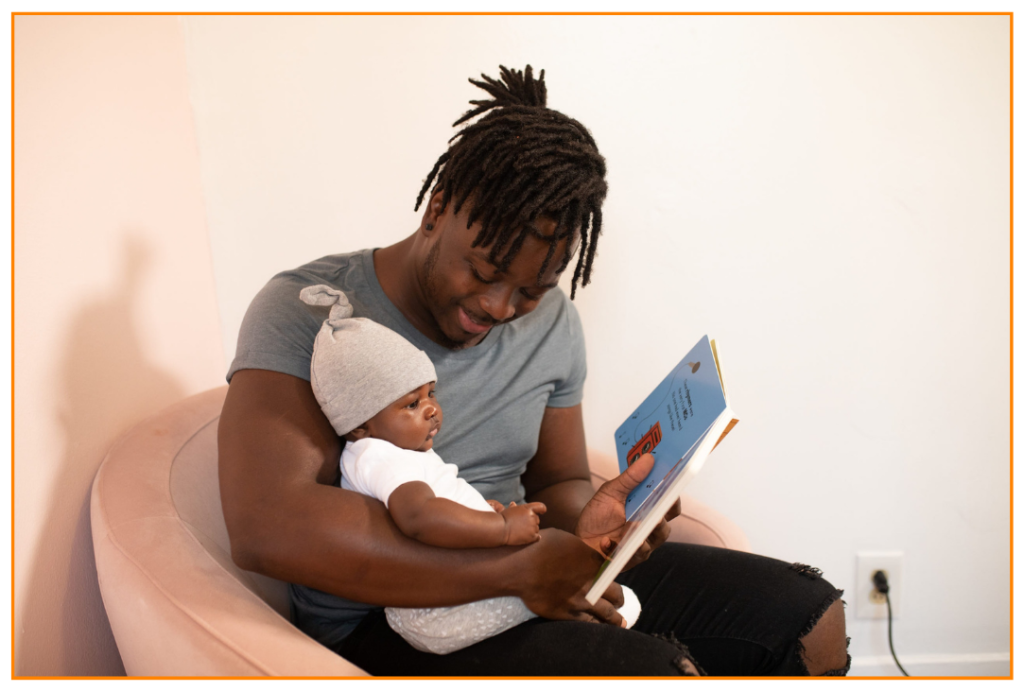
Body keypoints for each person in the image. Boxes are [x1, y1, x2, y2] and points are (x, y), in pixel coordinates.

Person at [218, 64, 851, 676]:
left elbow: (560, 480)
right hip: (390, 621)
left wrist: (599, 522)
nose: (498, 308)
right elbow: (268, 526)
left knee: (803, 613)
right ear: (437, 210)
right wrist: (512, 570)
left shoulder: (553, 324)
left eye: (531, 290)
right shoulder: (311, 310)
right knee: (651, 670)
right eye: (485, 272)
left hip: (527, 569)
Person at [295, 282, 641, 654]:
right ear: (360, 424)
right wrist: (501, 528)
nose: (431, 409)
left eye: (431, 393)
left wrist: (478, 514)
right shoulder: (378, 456)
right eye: (411, 404)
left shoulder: (399, 452)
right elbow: (420, 517)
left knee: (576, 582)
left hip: (448, 596)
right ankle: (606, 603)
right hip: (434, 610)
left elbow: (436, 509)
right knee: (590, 594)